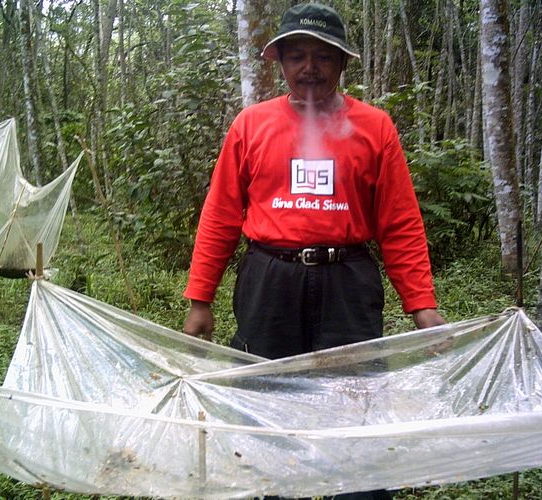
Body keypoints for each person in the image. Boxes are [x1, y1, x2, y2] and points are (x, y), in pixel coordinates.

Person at [183, 4, 445, 498]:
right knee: (265, 409)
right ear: (279, 62)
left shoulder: (375, 128)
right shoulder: (250, 125)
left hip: (347, 282)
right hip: (268, 279)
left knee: (354, 407)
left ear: (342, 63)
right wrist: (201, 299)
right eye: (297, 55)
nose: (310, 68)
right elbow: (219, 215)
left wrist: (422, 304)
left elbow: (400, 223)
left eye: (323, 57)